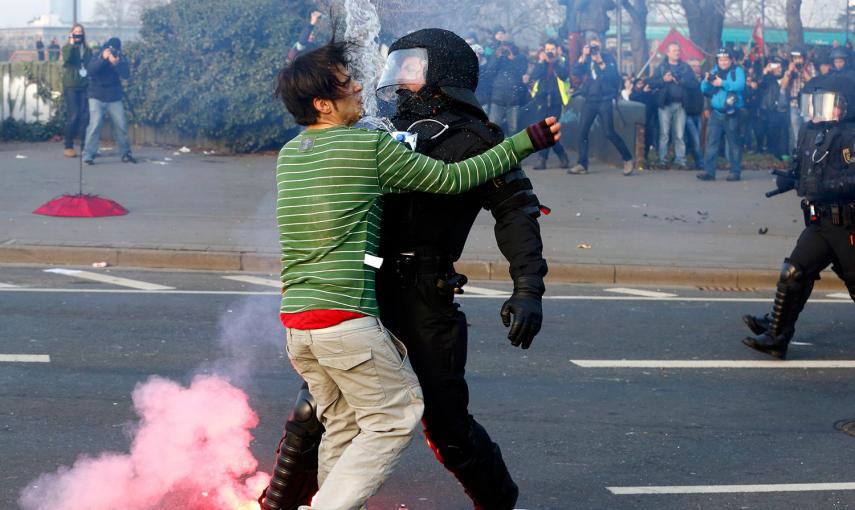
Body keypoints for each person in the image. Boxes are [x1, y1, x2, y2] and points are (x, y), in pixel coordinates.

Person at [266, 38, 560, 510]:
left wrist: (528, 286)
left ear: (445, 72)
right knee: (318, 416)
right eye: (396, 64)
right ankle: (280, 504)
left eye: (412, 66)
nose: (393, 78)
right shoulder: (371, 132)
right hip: (360, 295)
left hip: (419, 294)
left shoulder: (476, 137)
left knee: (446, 426)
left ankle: (499, 503)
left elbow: (515, 212)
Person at [742, 72, 855, 358]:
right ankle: (777, 335)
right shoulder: (810, 130)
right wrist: (791, 177)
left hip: (846, 222)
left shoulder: (851, 136)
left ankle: (776, 327)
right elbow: (800, 164)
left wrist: (816, 186)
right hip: (820, 221)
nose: (822, 110)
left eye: (830, 104)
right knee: (794, 272)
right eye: (817, 103)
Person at [569, 36, 634, 175]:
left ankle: (627, 158)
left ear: (601, 46)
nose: (594, 50)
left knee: (609, 132)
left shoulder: (608, 58)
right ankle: (582, 164)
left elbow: (614, 78)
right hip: (590, 100)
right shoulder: (586, 59)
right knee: (582, 132)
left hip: (604, 100)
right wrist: (583, 56)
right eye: (591, 46)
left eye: (596, 47)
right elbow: (575, 72)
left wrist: (600, 62)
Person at [82, 37, 135, 165]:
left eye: (115, 50)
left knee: (121, 124)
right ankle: (88, 155)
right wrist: (103, 59)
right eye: (110, 49)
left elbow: (126, 74)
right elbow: (90, 70)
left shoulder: (120, 57)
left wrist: (116, 64)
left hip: (114, 97)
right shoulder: (98, 55)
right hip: (96, 95)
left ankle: (126, 153)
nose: (113, 52)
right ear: (105, 48)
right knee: (95, 125)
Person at [697, 47, 745, 181]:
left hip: (732, 112)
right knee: (711, 143)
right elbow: (703, 89)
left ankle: (735, 172)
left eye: (725, 59)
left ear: (731, 60)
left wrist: (722, 83)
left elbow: (740, 85)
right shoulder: (714, 71)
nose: (722, 62)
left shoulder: (737, 71)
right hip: (716, 112)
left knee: (733, 144)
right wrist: (707, 80)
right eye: (720, 60)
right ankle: (709, 172)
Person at [649, 42, 696, 169]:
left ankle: (680, 160)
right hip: (665, 105)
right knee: (664, 134)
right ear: (668, 53)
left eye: (678, 50)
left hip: (681, 105)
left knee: (679, 135)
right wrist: (663, 80)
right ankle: (662, 160)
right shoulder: (662, 67)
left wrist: (681, 80)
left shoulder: (685, 67)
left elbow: (694, 84)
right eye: (674, 50)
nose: (677, 53)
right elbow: (651, 82)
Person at [530, 39, 571, 169]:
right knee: (544, 131)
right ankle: (561, 154)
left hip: (556, 102)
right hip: (541, 101)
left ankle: (542, 159)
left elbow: (564, 76)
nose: (549, 52)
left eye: (552, 49)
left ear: (557, 49)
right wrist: (542, 62)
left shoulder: (561, 61)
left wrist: (555, 62)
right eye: (547, 50)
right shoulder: (541, 62)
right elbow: (534, 76)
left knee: (550, 130)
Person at [484, 27, 528, 135]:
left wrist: (512, 58)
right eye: (504, 44)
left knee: (513, 129)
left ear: (512, 45)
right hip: (497, 97)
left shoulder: (519, 56)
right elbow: (489, 72)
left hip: (513, 99)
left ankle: (511, 151)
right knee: (492, 128)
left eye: (508, 44)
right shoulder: (497, 54)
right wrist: (496, 57)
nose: (505, 47)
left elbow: (522, 71)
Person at [61, 24, 92, 158]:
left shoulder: (87, 49)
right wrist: (71, 43)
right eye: (75, 32)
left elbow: (91, 65)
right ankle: (68, 146)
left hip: (84, 85)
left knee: (85, 116)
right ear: (71, 34)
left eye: (80, 32)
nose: (78, 34)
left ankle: (85, 147)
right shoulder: (67, 48)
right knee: (74, 116)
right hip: (71, 86)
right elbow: (67, 60)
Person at [784, 46, 816, 153]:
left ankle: (809, 156)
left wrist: (803, 71)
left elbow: (813, 83)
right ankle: (797, 158)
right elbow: (783, 86)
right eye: (795, 58)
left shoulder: (809, 66)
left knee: (809, 131)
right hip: (793, 104)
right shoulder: (790, 68)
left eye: (799, 58)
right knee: (796, 133)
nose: (797, 60)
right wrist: (789, 71)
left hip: (807, 102)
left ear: (804, 58)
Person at [757, 56, 789, 159]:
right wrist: (765, 71)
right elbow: (760, 83)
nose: (777, 68)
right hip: (772, 109)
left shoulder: (788, 76)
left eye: (779, 65)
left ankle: (785, 153)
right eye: (775, 65)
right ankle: (775, 154)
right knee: (773, 132)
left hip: (786, 109)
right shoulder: (769, 78)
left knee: (785, 133)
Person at [684, 58, 705, 169]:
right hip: (688, 113)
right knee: (695, 137)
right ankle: (700, 162)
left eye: (698, 66)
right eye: (693, 66)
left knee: (694, 138)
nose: (697, 68)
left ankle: (688, 157)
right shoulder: (687, 80)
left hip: (698, 112)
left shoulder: (703, 80)